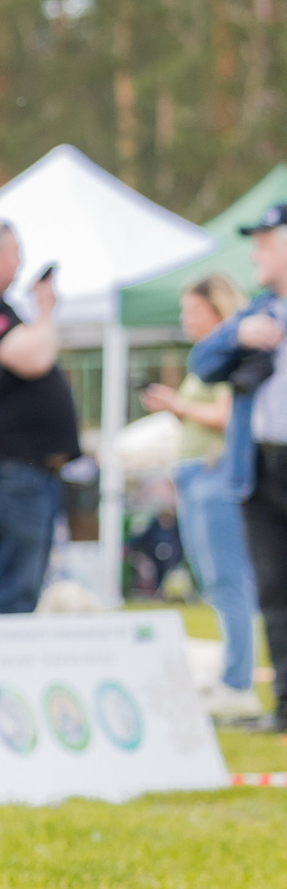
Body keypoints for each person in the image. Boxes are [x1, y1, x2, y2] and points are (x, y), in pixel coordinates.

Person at [144, 274, 262, 719]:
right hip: (195, 475)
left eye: (193, 310)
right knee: (214, 581)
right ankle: (233, 677)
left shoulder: (228, 356)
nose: (185, 319)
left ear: (217, 309)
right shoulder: (208, 358)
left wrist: (179, 406)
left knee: (227, 581)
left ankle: (238, 683)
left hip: (215, 475)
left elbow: (227, 414)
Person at [0, 219, 80, 614]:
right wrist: (46, 312)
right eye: (15, 253)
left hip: (21, 472)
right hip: (11, 472)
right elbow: (34, 358)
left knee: (19, 585)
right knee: (11, 587)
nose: (20, 263)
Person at [190, 209, 287, 731]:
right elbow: (202, 363)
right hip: (261, 467)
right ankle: (285, 707)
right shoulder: (258, 314)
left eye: (266, 245)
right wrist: (238, 336)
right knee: (273, 590)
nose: (256, 256)